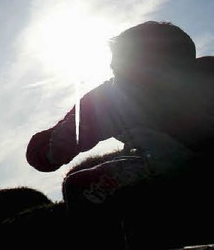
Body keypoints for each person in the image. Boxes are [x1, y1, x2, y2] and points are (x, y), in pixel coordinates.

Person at [26, 21, 214, 247]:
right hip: (152, 171)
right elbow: (42, 153)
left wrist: (190, 160)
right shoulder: (109, 100)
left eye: (140, 74)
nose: (126, 84)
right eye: (118, 72)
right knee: (82, 186)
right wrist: (50, 150)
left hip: (202, 171)